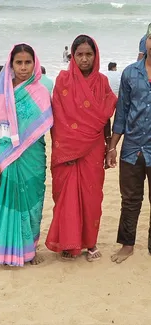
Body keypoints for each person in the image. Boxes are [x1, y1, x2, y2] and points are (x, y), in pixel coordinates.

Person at [45, 35, 117, 261]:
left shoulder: (102, 82)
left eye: (89, 54)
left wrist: (108, 146)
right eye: (80, 54)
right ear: (72, 56)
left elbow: (105, 117)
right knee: (66, 197)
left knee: (92, 196)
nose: (84, 59)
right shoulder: (63, 80)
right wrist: (65, 150)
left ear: (95, 56)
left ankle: (90, 242)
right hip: (67, 149)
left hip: (94, 148)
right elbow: (59, 118)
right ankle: (69, 243)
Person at [0, 43, 53, 267]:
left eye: (27, 62)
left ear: (34, 63)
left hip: (34, 156)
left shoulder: (41, 90)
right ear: (11, 64)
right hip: (7, 154)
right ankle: (6, 252)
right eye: (18, 62)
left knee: (33, 201)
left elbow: (47, 124)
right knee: (6, 201)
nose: (23, 67)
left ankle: (30, 250)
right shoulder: (1, 91)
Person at [107, 24, 151, 263]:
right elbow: (122, 112)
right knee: (130, 199)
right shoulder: (129, 73)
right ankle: (127, 244)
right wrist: (112, 146)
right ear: (145, 42)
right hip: (132, 148)